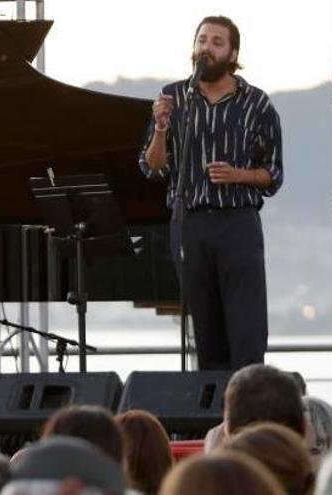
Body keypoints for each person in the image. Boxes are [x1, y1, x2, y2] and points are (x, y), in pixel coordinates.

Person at [138, 15, 283, 370]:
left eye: (217, 42)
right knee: (205, 332)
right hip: (190, 224)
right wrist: (160, 128)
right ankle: (212, 417)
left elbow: (274, 174)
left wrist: (239, 175)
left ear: (233, 53)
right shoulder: (173, 97)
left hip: (238, 224)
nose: (207, 47)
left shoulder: (256, 103)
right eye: (202, 40)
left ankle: (250, 410)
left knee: (246, 328)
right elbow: (152, 167)